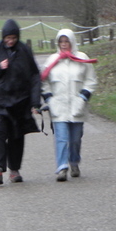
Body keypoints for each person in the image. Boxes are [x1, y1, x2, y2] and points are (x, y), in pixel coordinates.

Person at [0, 19, 41, 184]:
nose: (10, 41)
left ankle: (14, 170)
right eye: (7, 38)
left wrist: (35, 102)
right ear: (3, 37)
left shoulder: (25, 52)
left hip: (19, 102)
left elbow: (35, 77)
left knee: (17, 135)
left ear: (18, 36)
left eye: (13, 37)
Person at [41, 29, 97, 182]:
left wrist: (83, 97)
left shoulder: (82, 58)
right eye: (61, 42)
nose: (64, 45)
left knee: (75, 138)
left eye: (66, 41)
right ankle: (62, 167)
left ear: (72, 42)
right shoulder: (52, 60)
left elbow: (90, 80)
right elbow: (44, 81)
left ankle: (74, 162)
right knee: (61, 137)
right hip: (58, 105)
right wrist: (49, 99)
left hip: (77, 104)